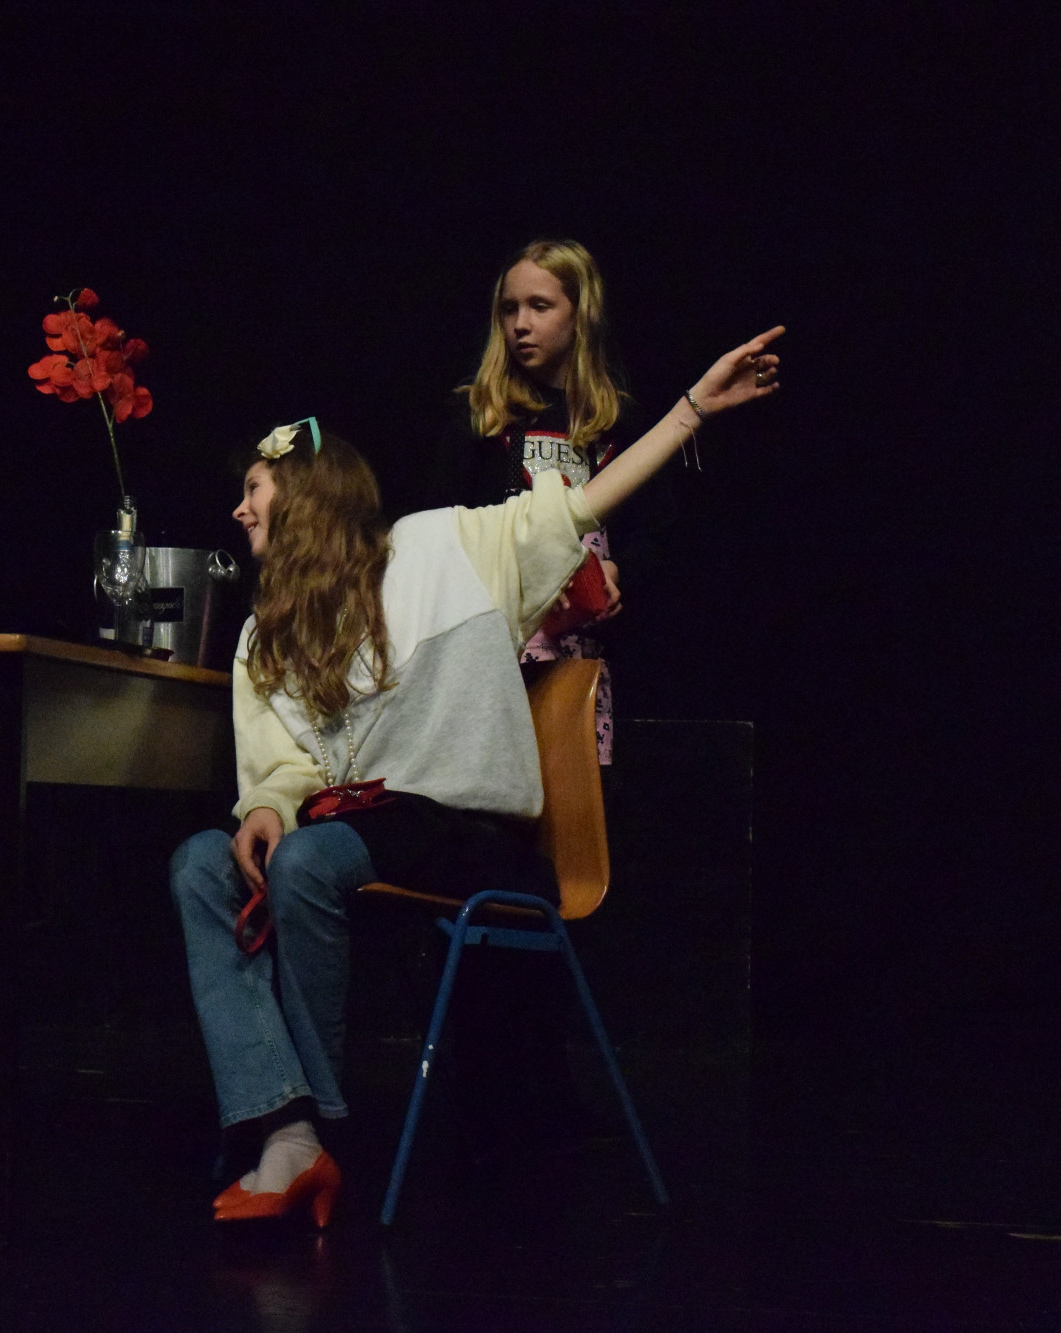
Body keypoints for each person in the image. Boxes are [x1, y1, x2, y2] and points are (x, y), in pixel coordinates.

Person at [170, 324, 783, 1226]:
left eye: (253, 489)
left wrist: (693, 408)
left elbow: (580, 506)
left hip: (463, 833)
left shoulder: (443, 549)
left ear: (303, 493)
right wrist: (265, 804)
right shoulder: (265, 633)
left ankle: (319, 1130)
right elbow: (281, 765)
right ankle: (285, 1127)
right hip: (345, 835)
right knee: (199, 863)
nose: (238, 509)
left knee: (307, 861)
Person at [429, 238, 651, 765]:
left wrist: (617, 570)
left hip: (586, 654)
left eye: (540, 306)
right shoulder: (480, 416)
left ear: (581, 314)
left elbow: (652, 531)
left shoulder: (616, 421)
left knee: (576, 795)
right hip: (495, 652)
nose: (520, 324)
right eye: (510, 309)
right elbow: (439, 534)